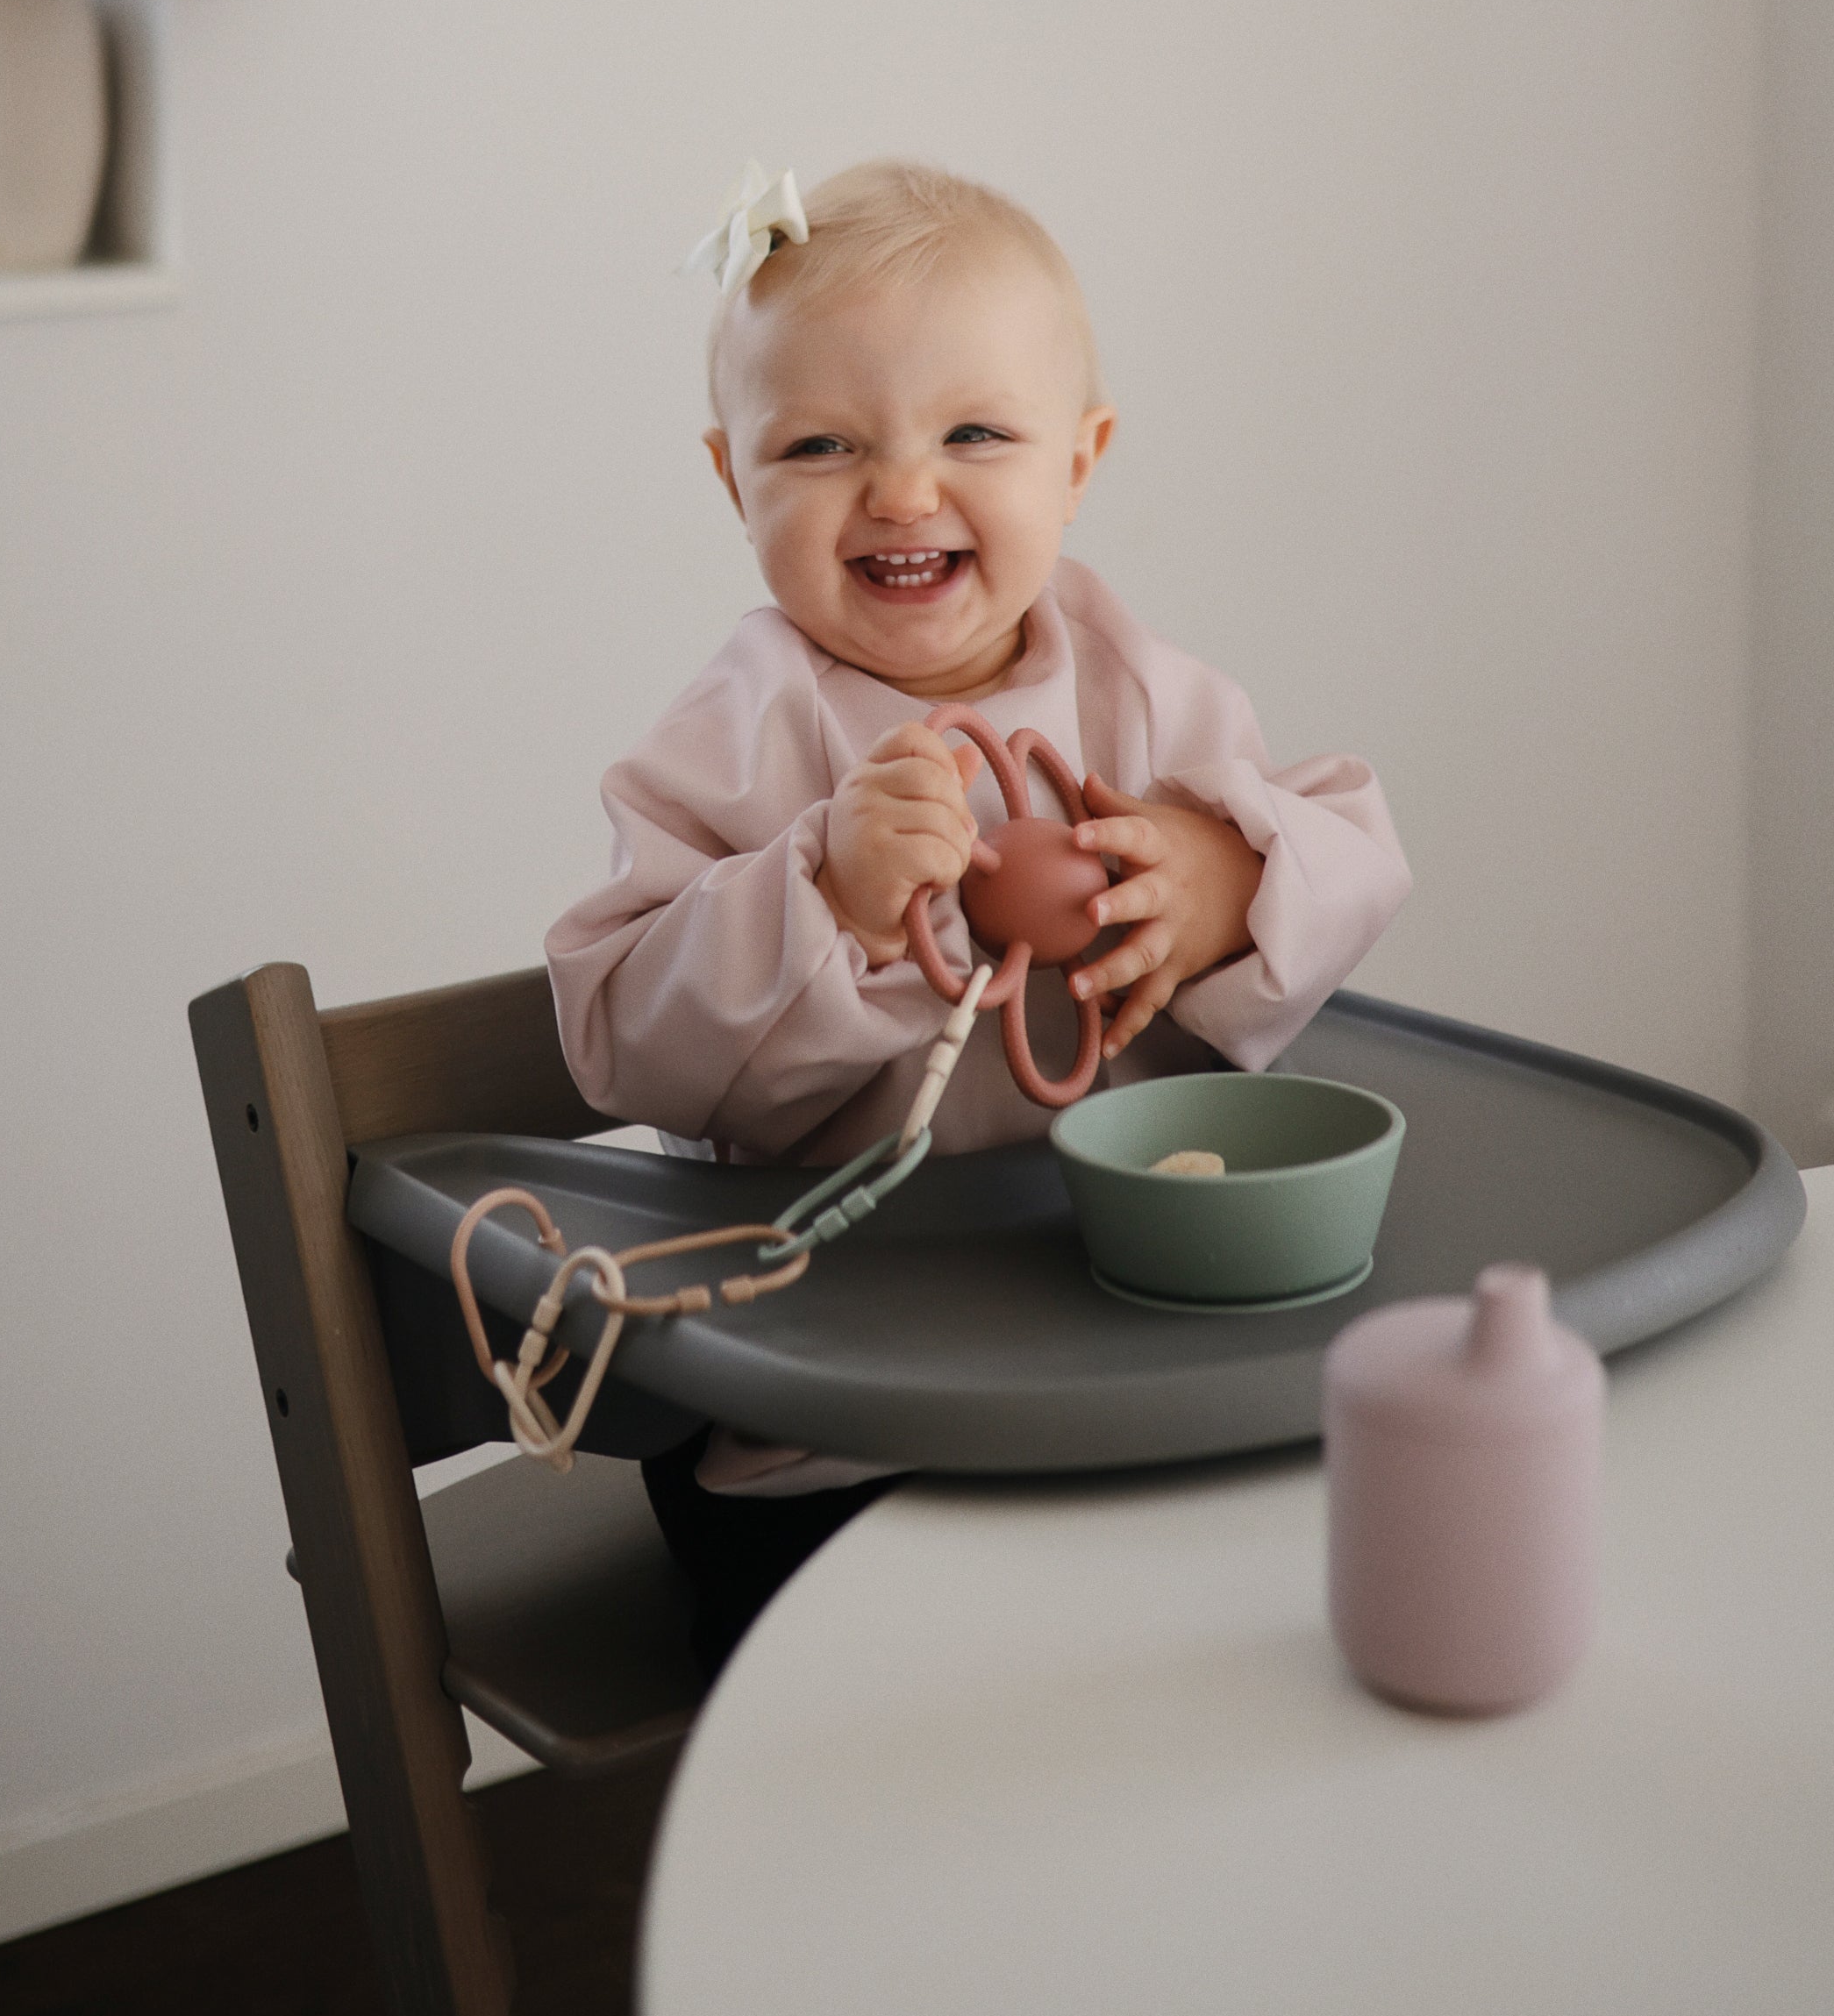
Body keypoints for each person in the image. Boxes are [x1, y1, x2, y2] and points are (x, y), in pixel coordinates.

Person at [546, 159, 1409, 1664]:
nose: (899, 490)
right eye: (818, 444)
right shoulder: (735, 740)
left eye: (975, 435)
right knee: (927, 1675)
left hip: (1128, 1335)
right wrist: (821, 892)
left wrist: (1225, 878)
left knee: (1300, 1562)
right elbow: (617, 1036)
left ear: (1079, 464)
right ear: (730, 477)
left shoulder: (1136, 685)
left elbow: (1354, 852)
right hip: (836, 1408)